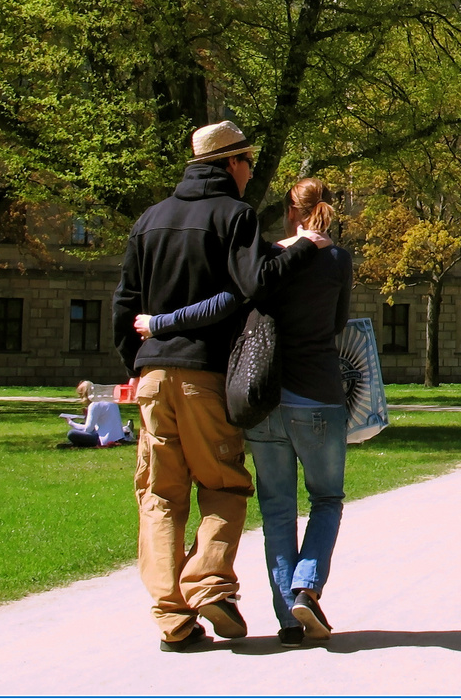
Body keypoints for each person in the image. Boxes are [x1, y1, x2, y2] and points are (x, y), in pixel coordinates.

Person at [112, 120, 323, 653]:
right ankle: (208, 583)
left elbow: (124, 305)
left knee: (159, 495)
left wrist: (135, 365)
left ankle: (174, 621)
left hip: (153, 375)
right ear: (230, 163)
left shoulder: (149, 220)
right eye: (247, 162)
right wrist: (302, 248)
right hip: (206, 376)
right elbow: (255, 283)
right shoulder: (235, 216)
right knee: (223, 485)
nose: (250, 172)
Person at [137, 177, 354, 648]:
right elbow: (337, 324)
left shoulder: (263, 261)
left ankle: (289, 621)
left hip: (265, 400)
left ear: (289, 213)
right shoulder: (336, 260)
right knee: (326, 500)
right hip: (317, 396)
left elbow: (229, 305)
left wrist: (159, 324)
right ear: (324, 211)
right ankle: (305, 587)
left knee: (277, 510)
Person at [61, 381, 131, 447]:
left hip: (104, 439)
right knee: (82, 425)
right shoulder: (110, 400)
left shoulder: (94, 405)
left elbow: (88, 429)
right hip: (118, 436)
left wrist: (71, 423)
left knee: (72, 433)